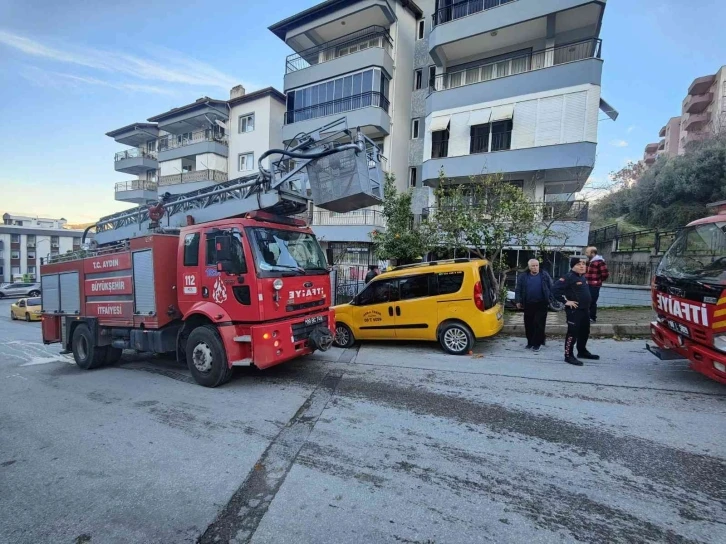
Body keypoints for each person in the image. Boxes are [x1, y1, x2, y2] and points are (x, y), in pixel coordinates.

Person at [552, 256, 600, 366]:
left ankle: (582, 351)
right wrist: (565, 301)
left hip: (585, 310)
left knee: (584, 332)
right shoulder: (568, 277)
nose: (582, 266)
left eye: (584, 264)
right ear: (573, 266)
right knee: (572, 333)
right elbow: (555, 290)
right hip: (574, 311)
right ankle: (568, 355)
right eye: (579, 264)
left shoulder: (582, 277)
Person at [514, 259, 553, 352]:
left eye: (537, 265)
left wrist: (551, 299)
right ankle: (530, 342)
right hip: (528, 303)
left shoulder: (544, 275)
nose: (535, 267)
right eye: (533, 266)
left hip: (542, 303)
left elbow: (551, 286)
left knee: (538, 323)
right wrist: (518, 301)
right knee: (529, 324)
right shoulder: (523, 276)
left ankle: (537, 343)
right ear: (529, 267)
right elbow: (518, 289)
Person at [585, 246, 609, 323]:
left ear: (592, 253)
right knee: (587, 301)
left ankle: (592, 318)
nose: (586, 254)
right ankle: (586, 317)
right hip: (587, 284)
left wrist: (598, 281)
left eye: (587, 252)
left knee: (592, 301)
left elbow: (605, 274)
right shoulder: (589, 261)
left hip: (594, 285)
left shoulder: (599, 262)